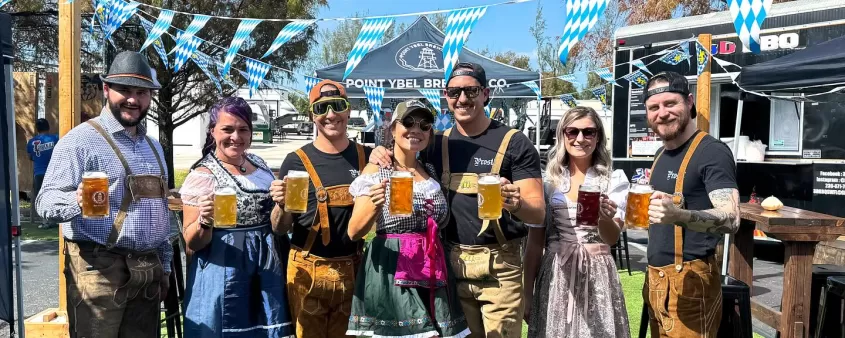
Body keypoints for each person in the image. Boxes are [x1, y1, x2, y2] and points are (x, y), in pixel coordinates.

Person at [371, 62, 546, 338]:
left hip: (500, 268)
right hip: (449, 264)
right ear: (446, 96)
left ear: (486, 94)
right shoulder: (435, 144)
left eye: (471, 91)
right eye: (454, 92)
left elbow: (538, 214)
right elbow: (403, 155)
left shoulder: (514, 143)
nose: (462, 99)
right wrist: (379, 153)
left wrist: (516, 204)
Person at [36, 51, 172, 337]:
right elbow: (45, 202)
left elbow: (160, 212)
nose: (133, 99)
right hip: (97, 270)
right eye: (125, 90)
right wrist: (76, 200)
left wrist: (166, 267)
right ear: (107, 89)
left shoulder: (153, 147)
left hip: (147, 270)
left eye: (141, 92)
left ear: (150, 97)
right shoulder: (80, 141)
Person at [346, 100, 470, 338]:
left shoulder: (430, 170)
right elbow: (354, 231)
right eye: (408, 122)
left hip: (432, 264)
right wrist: (375, 203)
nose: (416, 129)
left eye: (424, 125)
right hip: (393, 265)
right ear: (393, 129)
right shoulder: (377, 170)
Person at [270, 80, 380, 338]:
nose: (331, 115)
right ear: (312, 115)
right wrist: (282, 205)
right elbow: (280, 227)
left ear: (348, 110)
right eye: (321, 108)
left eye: (337, 106)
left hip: (354, 267)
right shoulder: (295, 161)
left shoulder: (368, 158)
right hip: (306, 269)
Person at [179, 97, 294, 337]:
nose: (236, 136)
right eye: (228, 129)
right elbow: (192, 242)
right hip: (226, 267)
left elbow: (278, 227)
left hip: (267, 267)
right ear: (212, 131)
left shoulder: (259, 164)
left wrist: (283, 204)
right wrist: (205, 222)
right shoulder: (203, 174)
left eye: (243, 129)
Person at [641, 71, 739, 337]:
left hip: (691, 286)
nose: (662, 113)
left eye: (670, 103)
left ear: (689, 101)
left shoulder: (712, 151)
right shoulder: (660, 154)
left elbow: (731, 219)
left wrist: (679, 215)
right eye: (654, 107)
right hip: (656, 281)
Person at [525, 106, 631, 338]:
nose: (580, 139)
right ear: (562, 136)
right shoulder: (548, 182)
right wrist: (527, 294)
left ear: (598, 137)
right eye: (572, 131)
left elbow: (611, 238)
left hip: (598, 272)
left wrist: (603, 218)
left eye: (588, 132)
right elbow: (534, 243)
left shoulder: (613, 180)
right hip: (556, 272)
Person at [27, 118, 59, 229]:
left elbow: (30, 157)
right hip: (52, 172)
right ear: (48, 127)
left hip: (38, 173)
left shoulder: (31, 142)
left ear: (37, 129)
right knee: (54, 195)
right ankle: (54, 220)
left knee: (41, 197)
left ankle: (45, 221)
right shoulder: (55, 138)